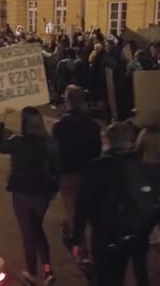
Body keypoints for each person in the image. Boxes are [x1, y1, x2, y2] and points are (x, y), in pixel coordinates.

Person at [72, 122, 148, 286]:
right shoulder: (138, 164)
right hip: (132, 229)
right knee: (127, 272)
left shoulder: (95, 167)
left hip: (105, 232)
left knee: (105, 276)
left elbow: (83, 203)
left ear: (106, 140)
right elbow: (146, 196)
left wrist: (77, 235)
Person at [0, 107, 60, 286]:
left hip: (22, 194)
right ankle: (47, 270)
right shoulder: (50, 142)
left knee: (28, 234)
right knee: (37, 229)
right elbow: (57, 169)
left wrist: (0, 123)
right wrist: (53, 190)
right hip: (42, 195)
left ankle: (31, 272)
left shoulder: (18, 141)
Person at [52, 85, 101, 253]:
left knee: (73, 211)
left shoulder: (59, 126)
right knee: (90, 212)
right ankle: (92, 247)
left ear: (68, 100)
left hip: (68, 174)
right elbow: (97, 152)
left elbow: (56, 153)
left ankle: (81, 250)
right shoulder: (93, 125)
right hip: (89, 173)